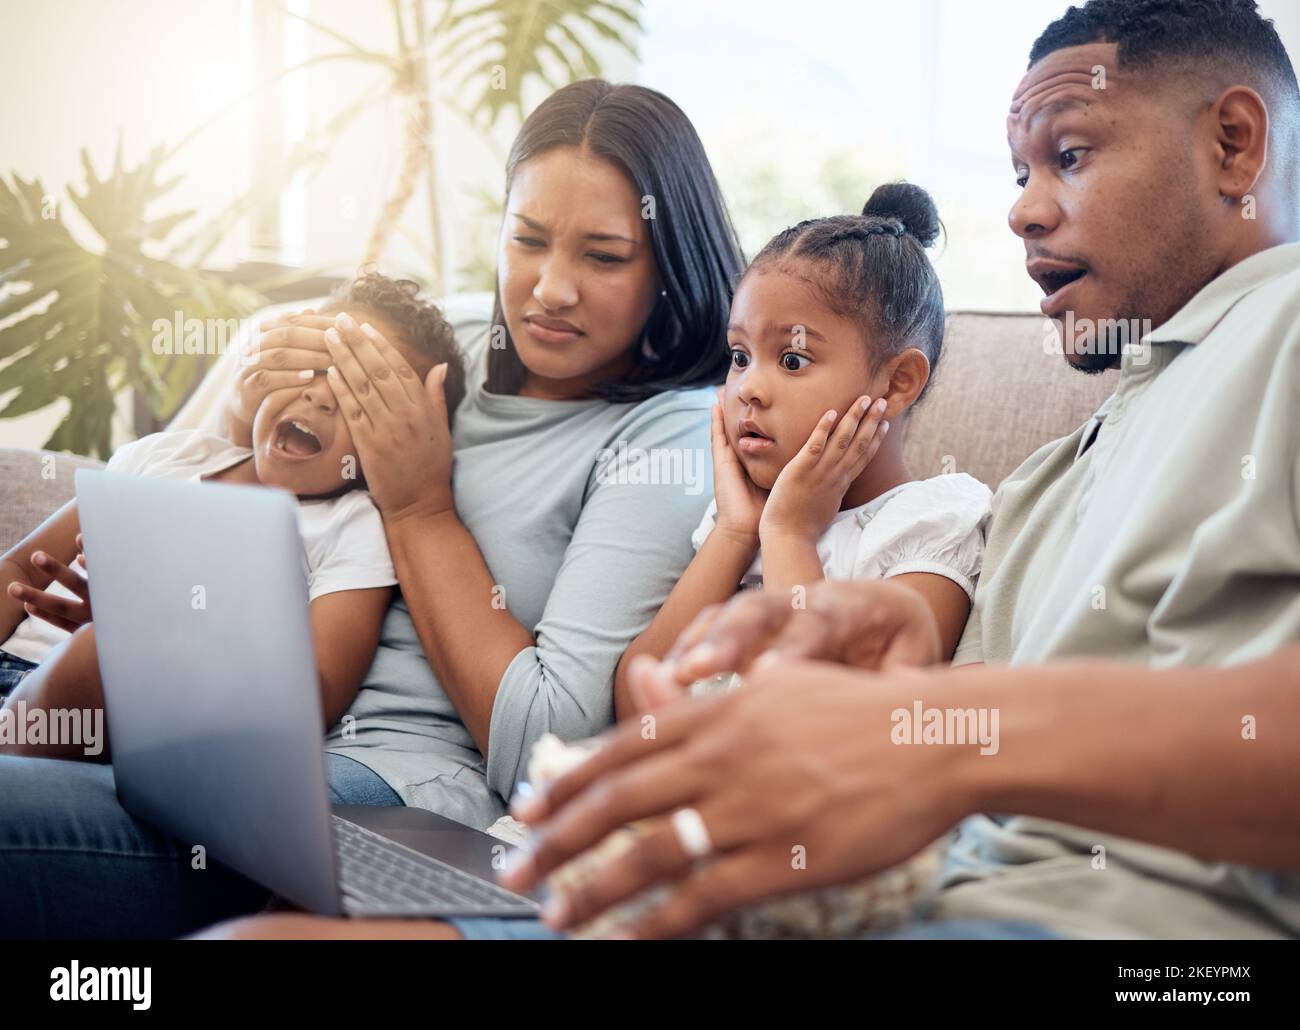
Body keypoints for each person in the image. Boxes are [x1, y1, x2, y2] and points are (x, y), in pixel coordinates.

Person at [202, 0, 1300, 940]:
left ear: (1234, 146)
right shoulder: (1070, 462)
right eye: (1019, 171)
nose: (1019, 206)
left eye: (1070, 153)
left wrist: (938, 741)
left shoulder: (1284, 330)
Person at [0, 79, 745, 938]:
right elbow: (223, 464)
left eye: (604, 257)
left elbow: (553, 746)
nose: (550, 291)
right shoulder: (441, 342)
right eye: (527, 241)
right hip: (214, 726)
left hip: (386, 788)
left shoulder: (670, 436)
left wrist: (422, 509)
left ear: (669, 265)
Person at [0, 274, 464, 760]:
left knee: (95, 655)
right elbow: (18, 568)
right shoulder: (170, 455)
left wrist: (147, 635)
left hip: (95, 705)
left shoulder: (349, 525)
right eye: (317, 366)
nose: (322, 397)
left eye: (359, 394)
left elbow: (318, 694)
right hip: (14, 656)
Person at [616, 181, 989, 719]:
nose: (747, 388)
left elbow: (835, 723)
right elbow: (634, 710)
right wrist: (736, 534)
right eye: (740, 355)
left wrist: (790, 534)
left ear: (897, 383)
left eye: (791, 361)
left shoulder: (927, 526)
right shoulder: (738, 522)